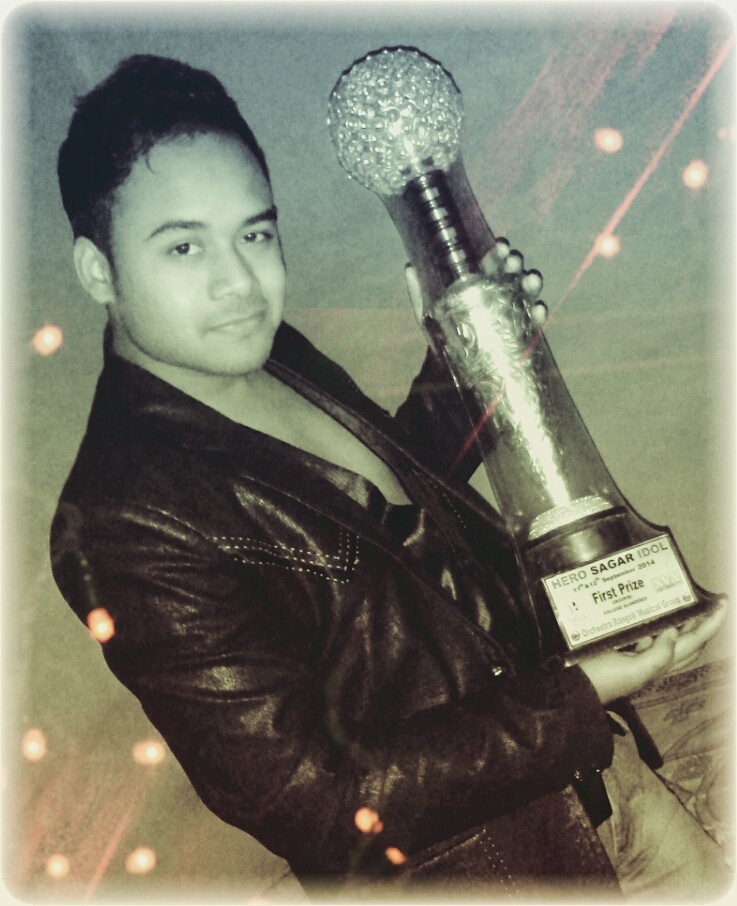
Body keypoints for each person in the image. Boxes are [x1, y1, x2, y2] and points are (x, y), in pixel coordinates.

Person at [50, 54, 730, 901]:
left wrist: (474, 358)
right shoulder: (119, 523)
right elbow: (317, 803)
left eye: (254, 234)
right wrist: (574, 697)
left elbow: (397, 507)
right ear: (98, 270)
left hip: (595, 776)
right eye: (184, 246)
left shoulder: (267, 353)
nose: (240, 283)